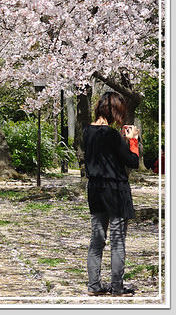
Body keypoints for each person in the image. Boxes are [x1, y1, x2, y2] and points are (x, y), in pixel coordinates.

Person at [83, 91, 140, 297]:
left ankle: (94, 285)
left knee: (97, 239)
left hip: (95, 190)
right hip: (115, 191)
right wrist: (132, 141)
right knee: (117, 240)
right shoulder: (112, 134)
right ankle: (117, 287)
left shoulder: (86, 131)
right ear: (115, 111)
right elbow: (132, 162)